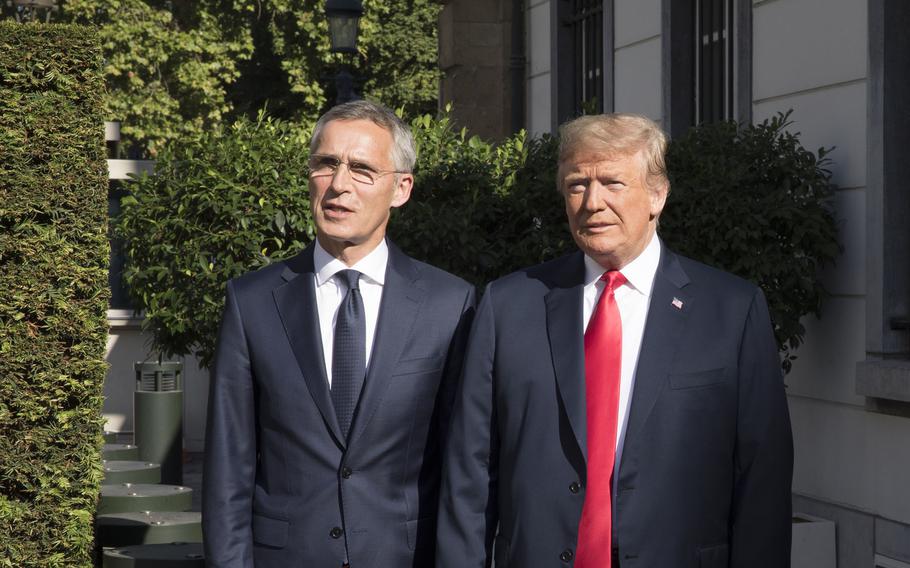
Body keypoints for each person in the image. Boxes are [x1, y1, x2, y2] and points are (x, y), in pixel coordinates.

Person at [436, 113, 793, 568]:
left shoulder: (731, 310)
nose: (592, 202)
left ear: (657, 195)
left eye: (613, 182)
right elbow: (470, 471)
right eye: (576, 185)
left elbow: (762, 477)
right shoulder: (509, 305)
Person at [203, 100, 475, 567]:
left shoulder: (450, 304)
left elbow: (464, 465)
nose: (339, 185)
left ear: (401, 189)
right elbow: (229, 466)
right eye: (326, 164)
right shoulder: (253, 303)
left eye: (363, 169)